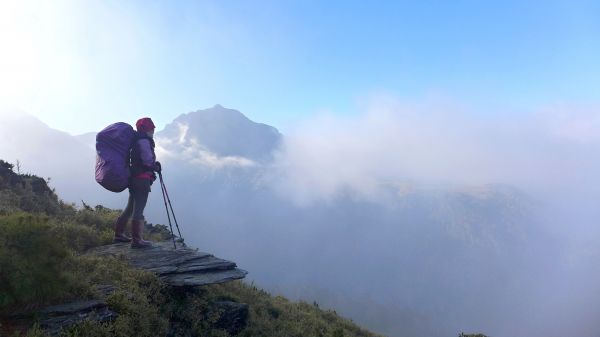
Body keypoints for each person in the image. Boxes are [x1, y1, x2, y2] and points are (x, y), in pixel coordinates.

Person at [113, 117, 161, 248]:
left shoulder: (135, 140)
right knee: (139, 209)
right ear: (148, 129)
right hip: (142, 179)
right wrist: (155, 166)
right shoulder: (144, 141)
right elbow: (147, 161)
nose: (153, 130)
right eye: (152, 128)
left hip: (133, 178)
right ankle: (137, 240)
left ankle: (119, 234)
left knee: (130, 207)